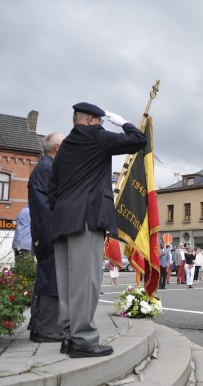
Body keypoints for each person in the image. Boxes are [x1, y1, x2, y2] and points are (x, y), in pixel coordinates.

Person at [49, 102, 147, 357]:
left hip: (62, 220)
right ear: (92, 120)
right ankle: (83, 339)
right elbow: (138, 140)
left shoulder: (66, 145)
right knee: (86, 282)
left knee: (68, 282)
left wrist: (62, 209)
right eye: (101, 121)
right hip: (85, 218)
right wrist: (123, 122)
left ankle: (69, 337)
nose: (103, 125)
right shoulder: (96, 135)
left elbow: (53, 187)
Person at [27, 132, 65, 343]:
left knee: (48, 275)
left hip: (46, 232)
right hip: (51, 233)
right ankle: (47, 328)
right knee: (51, 277)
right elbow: (49, 207)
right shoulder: (48, 168)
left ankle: (39, 325)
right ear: (58, 148)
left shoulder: (44, 167)